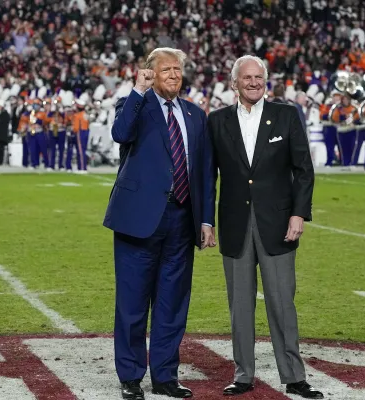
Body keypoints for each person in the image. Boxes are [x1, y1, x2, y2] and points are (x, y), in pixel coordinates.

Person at [206, 55, 322, 399]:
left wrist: (299, 214)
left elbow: (303, 169)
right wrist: (205, 220)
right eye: (247, 78)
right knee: (239, 306)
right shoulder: (217, 121)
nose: (254, 82)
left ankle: (294, 376)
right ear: (234, 83)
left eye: (259, 77)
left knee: (282, 303)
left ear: (266, 81)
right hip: (234, 223)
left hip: (279, 224)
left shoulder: (286, 116)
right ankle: (243, 374)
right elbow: (207, 175)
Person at [103, 47, 216, 400]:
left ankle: (165, 376)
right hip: (139, 219)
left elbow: (205, 173)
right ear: (149, 73)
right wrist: (138, 90)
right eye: (166, 69)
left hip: (182, 220)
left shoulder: (196, 114)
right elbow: (121, 134)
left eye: (178, 69)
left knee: (172, 305)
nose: (173, 74)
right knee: (133, 303)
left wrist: (207, 219)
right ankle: (131, 377)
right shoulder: (133, 104)